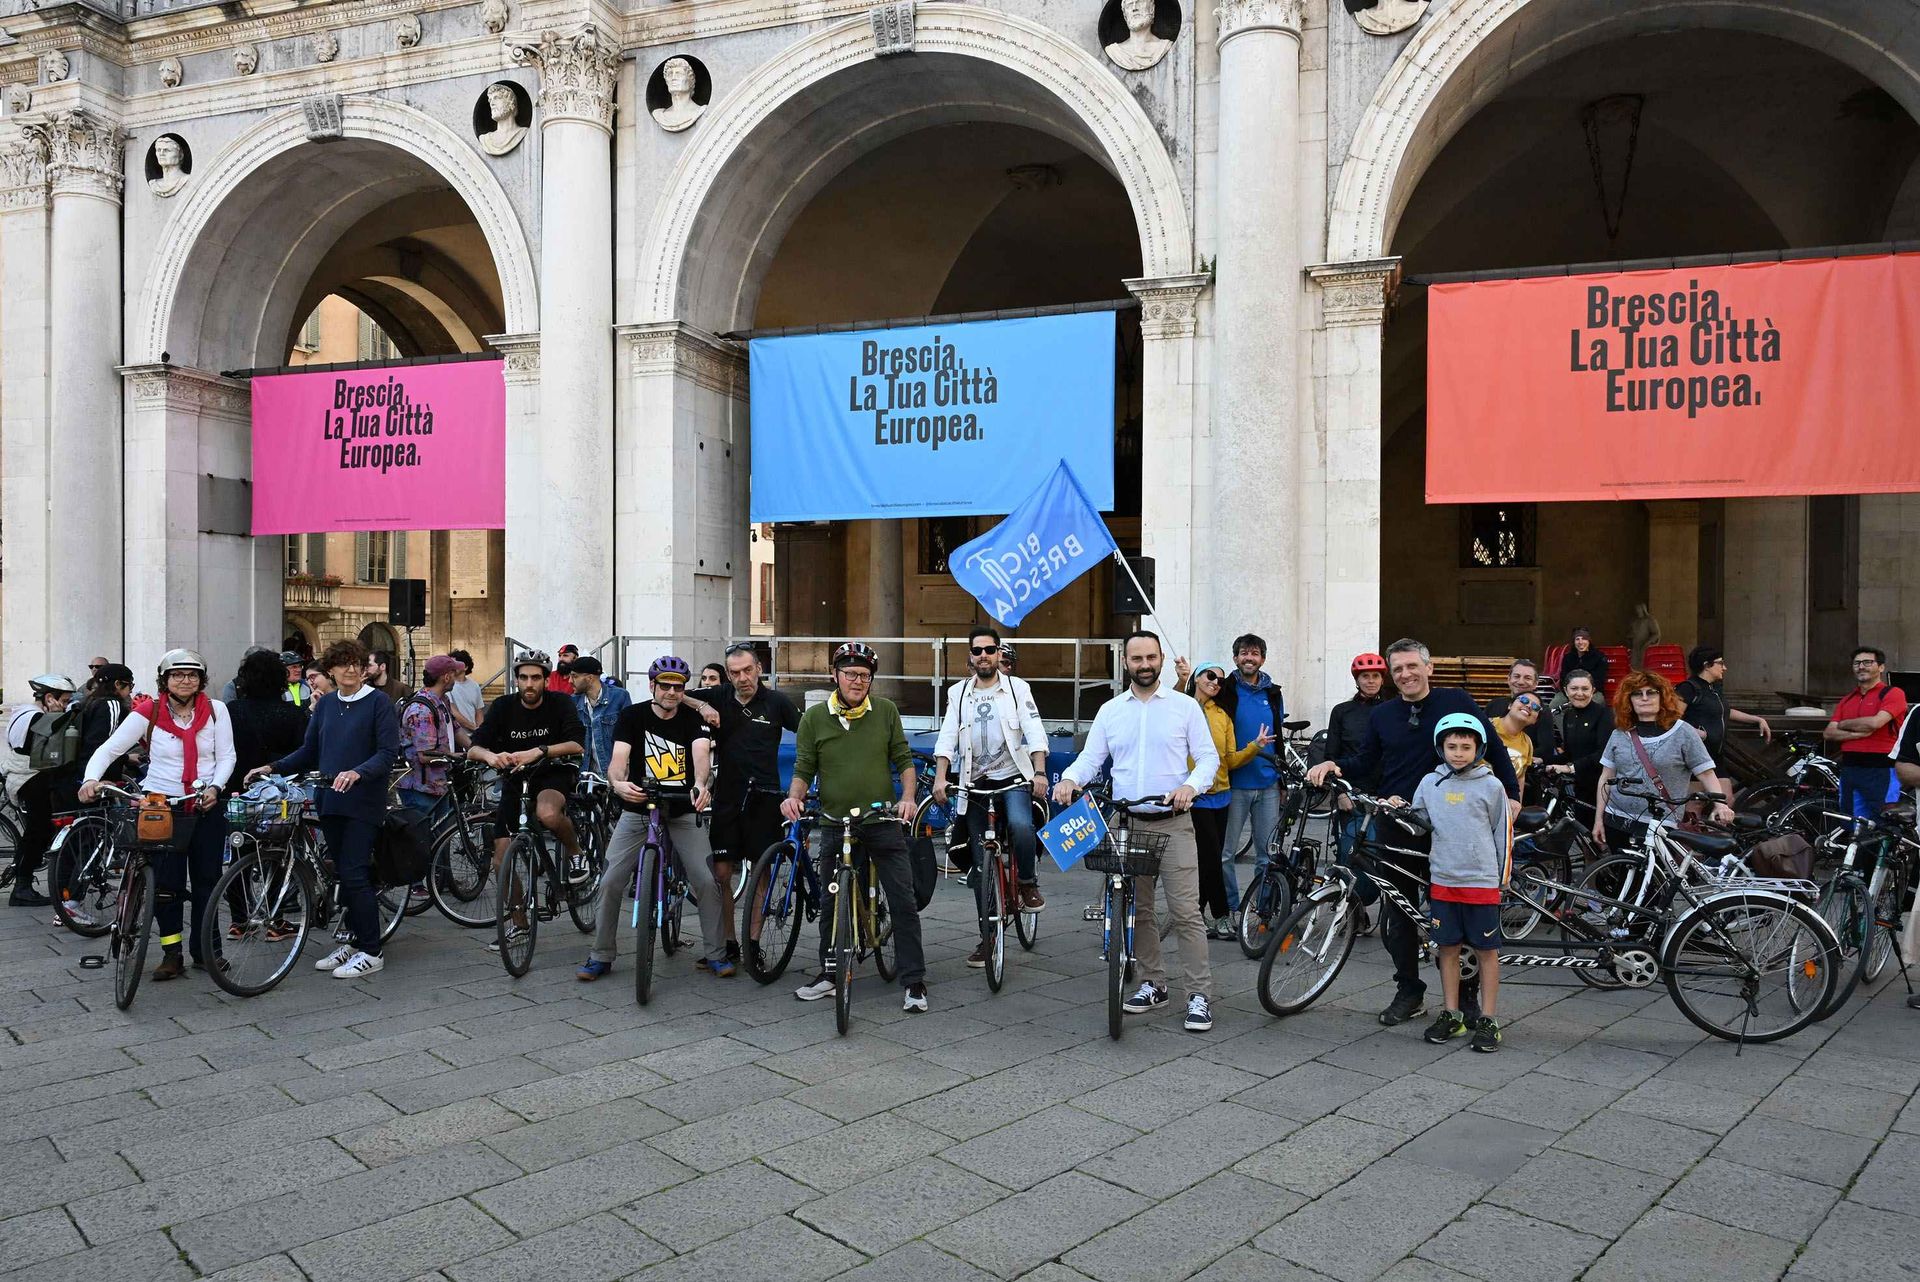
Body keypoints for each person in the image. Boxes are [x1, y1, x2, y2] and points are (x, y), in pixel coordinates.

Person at [1306, 638, 1519, 1027]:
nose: (1405, 674)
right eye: (1398, 669)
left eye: (1412, 666)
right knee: (1397, 915)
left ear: (1428, 668)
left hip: (1452, 829)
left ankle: (1465, 998)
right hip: (1398, 824)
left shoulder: (1456, 701)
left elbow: (1495, 748)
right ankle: (1409, 990)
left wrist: (1512, 795)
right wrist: (1335, 765)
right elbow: (1368, 761)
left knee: (1465, 913)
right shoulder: (1384, 715)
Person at [1054, 631, 1220, 1032]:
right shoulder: (1112, 711)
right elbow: (1090, 758)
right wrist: (1069, 781)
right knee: (1139, 910)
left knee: (1186, 913)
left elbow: (1208, 758)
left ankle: (1198, 995)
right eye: (1136, 659)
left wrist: (1190, 787)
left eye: (1150, 657)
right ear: (1125, 663)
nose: (1144, 664)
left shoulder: (1184, 707)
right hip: (1126, 824)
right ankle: (1152, 983)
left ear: (1161, 658)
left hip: (1174, 823)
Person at [783, 642, 926, 1012]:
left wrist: (907, 798)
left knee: (903, 899)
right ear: (835, 676)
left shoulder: (886, 711)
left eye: (864, 675)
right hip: (835, 821)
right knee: (831, 900)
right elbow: (802, 769)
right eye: (850, 673)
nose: (857, 681)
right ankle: (830, 973)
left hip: (880, 820)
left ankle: (914, 981)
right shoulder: (813, 718)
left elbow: (903, 760)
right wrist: (794, 797)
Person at [247, 639, 399, 979]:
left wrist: (358, 772)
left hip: (363, 802)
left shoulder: (379, 703)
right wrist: (272, 767)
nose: (351, 669)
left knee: (356, 872)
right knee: (341, 873)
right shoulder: (328, 704)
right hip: (329, 799)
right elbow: (309, 750)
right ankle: (355, 940)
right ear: (329, 669)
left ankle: (372, 950)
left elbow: (388, 752)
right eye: (343, 663)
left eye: (357, 663)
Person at [82, 650, 236, 980]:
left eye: (192, 675)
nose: (185, 680)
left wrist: (216, 787)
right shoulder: (147, 712)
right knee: (166, 885)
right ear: (165, 680)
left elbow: (227, 756)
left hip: (205, 802)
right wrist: (91, 779)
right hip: (161, 806)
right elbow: (109, 749)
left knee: (208, 880)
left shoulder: (216, 711)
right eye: (177, 675)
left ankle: (208, 950)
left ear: (201, 680)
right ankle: (172, 952)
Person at [580, 656, 723, 980]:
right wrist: (617, 783)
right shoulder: (632, 716)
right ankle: (601, 955)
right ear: (652, 686)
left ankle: (715, 952)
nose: (671, 692)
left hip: (684, 808)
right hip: (639, 808)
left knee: (704, 878)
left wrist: (701, 785)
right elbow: (618, 760)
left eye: (678, 687)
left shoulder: (692, 719)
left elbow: (701, 756)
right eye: (665, 686)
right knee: (611, 879)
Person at [933, 626, 1051, 968]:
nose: (983, 655)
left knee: (1021, 825)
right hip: (974, 783)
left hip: (1013, 776)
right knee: (981, 866)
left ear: (999, 654)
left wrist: (1040, 772)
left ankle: (1027, 883)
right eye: (977, 651)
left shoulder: (1017, 689)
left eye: (990, 650)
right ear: (970, 656)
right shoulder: (959, 693)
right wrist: (942, 778)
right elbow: (946, 737)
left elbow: (1034, 729)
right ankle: (989, 938)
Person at [688, 643, 801, 967]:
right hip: (728, 796)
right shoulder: (720, 696)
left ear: (759, 669)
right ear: (727, 674)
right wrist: (701, 706)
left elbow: (808, 731)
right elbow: (676, 694)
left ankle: (753, 944)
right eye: (735, 673)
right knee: (721, 874)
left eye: (748, 670)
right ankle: (728, 943)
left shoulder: (776, 702)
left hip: (765, 798)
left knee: (761, 875)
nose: (743, 678)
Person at [1409, 714, 1511, 1053]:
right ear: (1441, 747)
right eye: (1451, 746)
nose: (1458, 753)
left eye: (1466, 747)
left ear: (1478, 748)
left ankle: (1489, 1019)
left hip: (1480, 882)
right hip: (1443, 880)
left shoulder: (1492, 786)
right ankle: (1451, 1013)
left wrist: (1502, 879)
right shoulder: (1429, 783)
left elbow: (1503, 834)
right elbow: (1419, 824)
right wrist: (1399, 809)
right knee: (1447, 950)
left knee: (1486, 952)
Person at [468, 650, 588, 902]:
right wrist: (491, 757)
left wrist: (539, 751)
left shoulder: (560, 703)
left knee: (548, 813)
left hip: (554, 772)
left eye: (535, 678)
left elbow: (577, 744)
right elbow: (474, 747)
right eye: (523, 678)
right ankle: (519, 920)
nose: (529, 684)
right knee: (500, 860)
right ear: (516, 680)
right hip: (515, 777)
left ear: (546, 680)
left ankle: (576, 852)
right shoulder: (502, 706)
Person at [1594, 671, 1734, 850]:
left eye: (1651, 692)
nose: (1644, 698)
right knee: (1620, 876)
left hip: (1660, 824)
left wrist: (1720, 805)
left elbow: (1706, 773)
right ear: (1629, 700)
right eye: (1637, 694)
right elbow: (1606, 778)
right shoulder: (1619, 733)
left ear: (1663, 697)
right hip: (1616, 820)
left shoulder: (1683, 732)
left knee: (1655, 877)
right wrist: (1598, 819)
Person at [1185, 661, 1267, 939]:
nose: (1216, 682)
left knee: (1211, 859)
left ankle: (1194, 912)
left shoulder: (1223, 716)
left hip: (1222, 796)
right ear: (1197, 678)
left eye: (1221, 680)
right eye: (1210, 676)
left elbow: (1230, 760)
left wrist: (1255, 747)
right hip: (1195, 796)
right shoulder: (1184, 708)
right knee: (1210, 859)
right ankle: (1220, 915)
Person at [1214, 633, 1287, 927]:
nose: (1249, 658)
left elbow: (1279, 736)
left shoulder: (1273, 692)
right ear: (1235, 658)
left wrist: (1281, 779)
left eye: (1255, 653)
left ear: (1263, 659)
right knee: (1225, 854)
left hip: (1268, 783)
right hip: (1233, 783)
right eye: (1244, 653)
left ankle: (1261, 910)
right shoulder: (1225, 689)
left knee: (1266, 855)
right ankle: (1230, 908)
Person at [8, 673, 79, 907]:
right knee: (38, 833)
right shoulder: (39, 718)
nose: (67, 704)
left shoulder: (24, 711)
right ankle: (22, 887)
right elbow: (46, 756)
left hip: (22, 775)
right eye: (65, 700)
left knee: (36, 832)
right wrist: (59, 717)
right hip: (31, 778)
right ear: (50, 697)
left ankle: (22, 879)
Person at [1823, 647, 1908, 821]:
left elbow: (1876, 722)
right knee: (1853, 823)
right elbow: (1829, 733)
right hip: (1850, 767)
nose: (1861, 667)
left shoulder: (1893, 693)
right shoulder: (1847, 699)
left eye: (1868, 662)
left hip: (1882, 768)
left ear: (1881, 667)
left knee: (1884, 823)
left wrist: (1844, 724)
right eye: (1857, 663)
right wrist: (1858, 734)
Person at [1676, 647, 1773, 798]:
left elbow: (1724, 711)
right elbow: (1671, 718)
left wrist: (1757, 719)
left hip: (1716, 756)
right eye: (1720, 663)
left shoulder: (1714, 688)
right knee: (1695, 806)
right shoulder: (1688, 688)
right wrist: (1694, 732)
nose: (1725, 668)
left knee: (1726, 802)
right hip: (1696, 755)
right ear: (1706, 665)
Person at [225, 649, 309, 790]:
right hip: (282, 789)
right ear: (281, 677)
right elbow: (302, 754)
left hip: (239, 787)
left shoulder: (233, 710)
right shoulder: (294, 713)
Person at [397, 655, 463, 823]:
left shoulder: (442, 701)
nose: (456, 678)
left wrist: (478, 749)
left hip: (438, 785)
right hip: (420, 788)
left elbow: (455, 729)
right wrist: (452, 756)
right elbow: (425, 755)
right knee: (424, 843)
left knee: (442, 840)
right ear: (446, 677)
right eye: (454, 674)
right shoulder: (421, 710)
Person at [1550, 670, 1612, 812]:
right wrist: (1543, 760)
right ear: (1566, 690)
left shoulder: (1604, 715)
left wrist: (1570, 767)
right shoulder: (1569, 716)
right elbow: (1569, 753)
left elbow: (1604, 753)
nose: (1579, 693)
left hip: (1601, 786)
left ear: (1593, 691)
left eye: (1585, 689)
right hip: (1579, 785)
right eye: (1574, 688)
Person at [1484, 660, 1553, 776]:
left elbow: (1546, 748)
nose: (1521, 682)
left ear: (1536, 683)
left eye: (1527, 678)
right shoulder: (1493, 704)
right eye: (1516, 676)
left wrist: (1519, 757)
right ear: (1508, 679)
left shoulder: (1542, 711)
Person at [569, 655, 632, 777]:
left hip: (614, 774)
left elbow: (630, 735)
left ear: (589, 678)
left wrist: (626, 768)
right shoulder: (573, 702)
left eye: (574, 676)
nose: (570, 681)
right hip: (584, 776)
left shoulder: (620, 697)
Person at [1493, 693, 1545, 779]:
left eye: (1536, 707)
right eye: (1524, 700)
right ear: (1510, 705)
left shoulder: (1527, 743)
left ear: (1535, 720)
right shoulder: (1485, 726)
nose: (1528, 706)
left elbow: (1520, 778)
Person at [1556, 628, 1609, 695]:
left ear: (1589, 641)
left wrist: (1585, 693)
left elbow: (1599, 681)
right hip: (1570, 692)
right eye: (1577, 639)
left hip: (1592, 693)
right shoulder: (1568, 658)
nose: (1580, 642)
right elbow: (1563, 679)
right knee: (1555, 703)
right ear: (1574, 642)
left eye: (1584, 639)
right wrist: (1569, 694)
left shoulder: (1599, 657)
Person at [447, 649, 484, 735]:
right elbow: (453, 711)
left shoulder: (474, 686)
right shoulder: (448, 684)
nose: (452, 667)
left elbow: (479, 712)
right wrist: (473, 727)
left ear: (465, 667)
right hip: (456, 734)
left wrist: (480, 730)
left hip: (473, 734)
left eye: (456, 664)